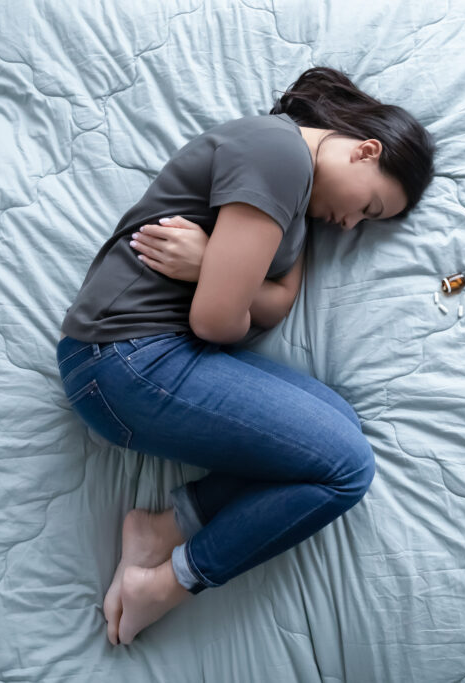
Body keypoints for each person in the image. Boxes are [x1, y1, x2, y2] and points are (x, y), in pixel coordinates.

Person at [56, 66, 435, 645]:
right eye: (370, 207)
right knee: (348, 469)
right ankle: (168, 584)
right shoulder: (277, 154)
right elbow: (215, 321)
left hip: (150, 356)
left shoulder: (298, 200)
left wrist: (209, 265)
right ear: (366, 151)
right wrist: (222, 284)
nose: (351, 223)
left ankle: (165, 527)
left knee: (340, 425)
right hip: (121, 359)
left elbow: (276, 305)